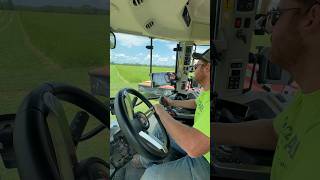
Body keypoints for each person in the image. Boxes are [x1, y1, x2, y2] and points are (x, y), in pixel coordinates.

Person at [212, 0, 320, 179]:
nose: (269, 29)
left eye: (276, 17)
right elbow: (276, 131)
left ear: (311, 18)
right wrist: (212, 132)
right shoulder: (309, 94)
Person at [137, 49, 211, 180]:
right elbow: (196, 102)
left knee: (151, 176)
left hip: (206, 161)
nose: (194, 69)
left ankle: (154, 169)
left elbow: (194, 148)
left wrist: (161, 112)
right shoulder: (207, 91)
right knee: (161, 130)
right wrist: (171, 102)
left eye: (196, 66)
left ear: (207, 68)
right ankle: (145, 161)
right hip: (198, 142)